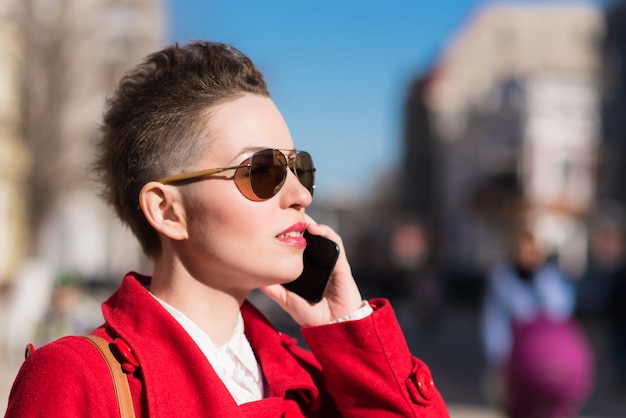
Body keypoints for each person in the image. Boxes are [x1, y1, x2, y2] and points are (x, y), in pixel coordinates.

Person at [5, 41, 449, 417]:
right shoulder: (79, 380)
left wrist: (349, 334)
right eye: (262, 171)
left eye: (300, 168)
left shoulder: (310, 378)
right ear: (167, 211)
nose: (301, 195)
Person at [481, 228, 594, 418]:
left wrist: (541, 280)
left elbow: (561, 311)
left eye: (533, 251)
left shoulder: (550, 279)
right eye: (524, 251)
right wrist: (500, 361)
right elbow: (494, 323)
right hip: (515, 358)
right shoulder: (502, 281)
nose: (529, 257)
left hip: (548, 357)